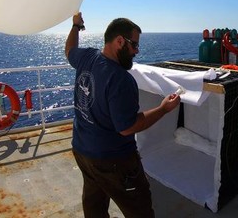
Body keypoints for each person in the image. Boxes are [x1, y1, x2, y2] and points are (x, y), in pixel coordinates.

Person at [65, 13, 181, 218]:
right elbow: (127, 127)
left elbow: (69, 51)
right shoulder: (121, 80)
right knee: (139, 209)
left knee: (94, 204)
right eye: (134, 45)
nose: (136, 51)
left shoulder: (87, 57)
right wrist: (164, 108)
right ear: (119, 41)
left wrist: (75, 27)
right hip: (114, 161)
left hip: (82, 150)